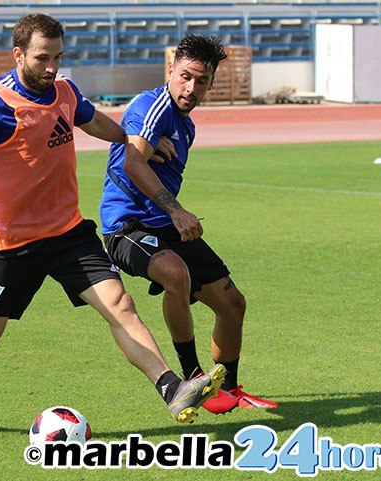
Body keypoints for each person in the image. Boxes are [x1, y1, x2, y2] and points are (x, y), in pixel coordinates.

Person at [0, 14, 225, 437]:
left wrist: (129, 139)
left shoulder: (64, 91)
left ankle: (171, 388)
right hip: (12, 243)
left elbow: (92, 120)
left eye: (57, 57)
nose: (51, 67)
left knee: (119, 304)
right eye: (42, 58)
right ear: (18, 55)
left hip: (68, 232)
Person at [99, 34, 277, 414]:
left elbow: (142, 156)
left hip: (164, 224)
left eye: (202, 81)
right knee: (175, 273)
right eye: (186, 76)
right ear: (171, 70)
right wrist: (177, 211)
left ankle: (226, 389)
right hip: (126, 227)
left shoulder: (185, 125)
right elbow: (133, 163)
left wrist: (172, 214)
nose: (191, 88)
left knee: (233, 304)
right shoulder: (152, 106)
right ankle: (193, 378)